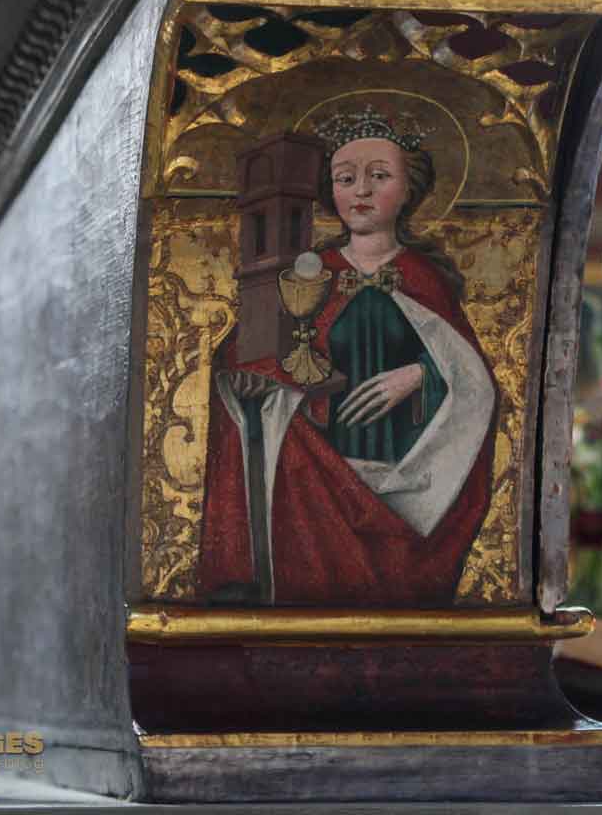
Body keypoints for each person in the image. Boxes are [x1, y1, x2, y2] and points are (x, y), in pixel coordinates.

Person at [198, 108, 496, 606]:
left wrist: (419, 375)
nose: (361, 190)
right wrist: (257, 383)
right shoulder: (309, 274)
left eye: (378, 176)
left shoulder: (425, 279)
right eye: (345, 178)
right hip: (318, 481)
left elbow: (472, 381)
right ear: (329, 190)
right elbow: (248, 354)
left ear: (408, 189)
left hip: (408, 478)